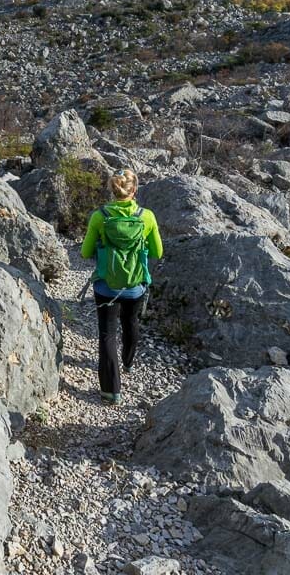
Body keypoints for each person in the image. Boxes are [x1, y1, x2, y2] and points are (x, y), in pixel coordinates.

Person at [79, 169, 163, 405]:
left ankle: (111, 390)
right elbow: (158, 252)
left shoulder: (100, 216)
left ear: (112, 189)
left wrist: (101, 245)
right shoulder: (146, 217)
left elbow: (85, 253)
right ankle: (128, 362)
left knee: (107, 334)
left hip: (106, 287)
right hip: (135, 286)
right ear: (134, 190)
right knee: (131, 322)